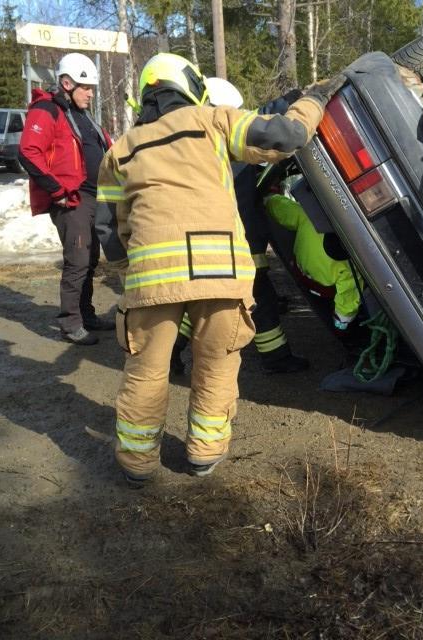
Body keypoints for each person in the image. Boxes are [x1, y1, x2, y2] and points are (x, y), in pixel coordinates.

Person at [97, 52, 344, 485]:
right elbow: (287, 135)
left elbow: (108, 228)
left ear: (145, 96)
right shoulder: (215, 121)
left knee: (147, 371)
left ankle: (137, 463)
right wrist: (315, 98)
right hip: (221, 273)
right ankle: (203, 454)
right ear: (192, 86)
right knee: (216, 365)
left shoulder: (121, 150)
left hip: (152, 280)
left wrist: (125, 275)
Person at [170, 78, 309, 376]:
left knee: (203, 300)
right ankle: (276, 358)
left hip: (222, 245)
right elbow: (264, 118)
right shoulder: (228, 146)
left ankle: (170, 350)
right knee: (260, 297)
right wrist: (300, 97)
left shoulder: (206, 148)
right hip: (237, 246)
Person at [19, 52, 115, 345]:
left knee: (90, 259)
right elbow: (28, 152)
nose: (90, 94)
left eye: (91, 89)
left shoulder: (82, 116)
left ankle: (86, 315)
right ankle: (70, 323)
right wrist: (57, 190)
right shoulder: (47, 109)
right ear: (66, 83)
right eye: (86, 88)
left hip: (93, 197)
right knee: (78, 259)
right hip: (71, 200)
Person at [265, 194, 364, 341]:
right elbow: (347, 304)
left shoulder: (309, 216)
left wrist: (271, 197)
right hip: (326, 291)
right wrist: (341, 329)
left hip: (301, 273)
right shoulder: (349, 268)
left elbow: (281, 207)